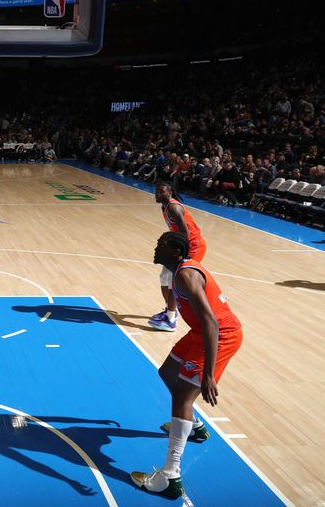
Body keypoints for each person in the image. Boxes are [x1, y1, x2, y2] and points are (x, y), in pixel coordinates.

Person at [131, 231, 243, 499]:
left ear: (176, 252)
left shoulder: (186, 275)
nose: (156, 248)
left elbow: (212, 323)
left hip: (218, 335)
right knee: (168, 372)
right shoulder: (178, 271)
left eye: (162, 245)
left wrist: (208, 375)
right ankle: (193, 427)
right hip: (199, 332)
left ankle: (170, 476)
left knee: (182, 397)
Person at [149, 181, 207, 331]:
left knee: (174, 280)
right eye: (156, 191)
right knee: (164, 277)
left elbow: (185, 234)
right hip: (180, 245)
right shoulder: (165, 206)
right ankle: (170, 311)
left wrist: (180, 255)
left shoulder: (174, 207)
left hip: (192, 246)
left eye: (161, 191)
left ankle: (171, 320)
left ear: (169, 193)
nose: (157, 193)